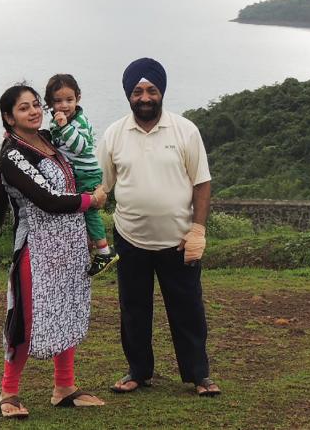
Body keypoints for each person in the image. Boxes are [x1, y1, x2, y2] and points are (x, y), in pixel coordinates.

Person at [0, 84, 107, 419]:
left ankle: (64, 387)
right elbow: (46, 199)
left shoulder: (50, 139)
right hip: (37, 248)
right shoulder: (13, 155)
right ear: (8, 117)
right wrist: (92, 201)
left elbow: (82, 151)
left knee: (68, 309)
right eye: (24, 108)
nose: (34, 111)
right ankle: (9, 392)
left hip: (71, 246)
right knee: (24, 317)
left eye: (36, 105)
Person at [96, 58, 222, 397]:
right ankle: (138, 371)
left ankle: (199, 374)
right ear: (128, 96)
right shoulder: (114, 134)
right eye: (137, 91)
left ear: (161, 91)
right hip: (130, 238)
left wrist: (198, 229)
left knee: (188, 310)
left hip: (179, 240)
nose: (145, 97)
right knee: (134, 310)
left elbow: (202, 183)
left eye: (151, 90)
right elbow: (102, 187)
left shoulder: (185, 130)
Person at [45, 73, 119, 276]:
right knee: (77, 212)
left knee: (90, 210)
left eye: (69, 100)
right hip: (74, 173)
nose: (64, 105)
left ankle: (104, 250)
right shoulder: (55, 121)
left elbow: (79, 147)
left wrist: (64, 126)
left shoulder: (79, 122)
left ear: (78, 98)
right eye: (58, 101)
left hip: (86, 173)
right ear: (50, 103)